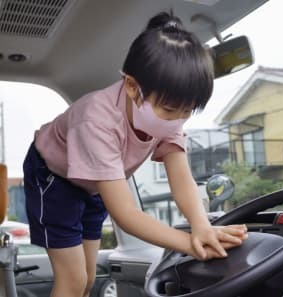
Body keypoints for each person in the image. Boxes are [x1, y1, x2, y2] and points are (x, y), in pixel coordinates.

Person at [23, 11, 248, 297]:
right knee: (73, 281)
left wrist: (201, 226)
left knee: (89, 278)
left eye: (187, 111)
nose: (177, 120)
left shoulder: (169, 116)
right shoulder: (96, 119)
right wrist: (190, 243)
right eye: (169, 109)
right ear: (131, 86)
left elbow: (182, 179)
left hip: (92, 186)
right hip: (52, 176)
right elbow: (126, 214)